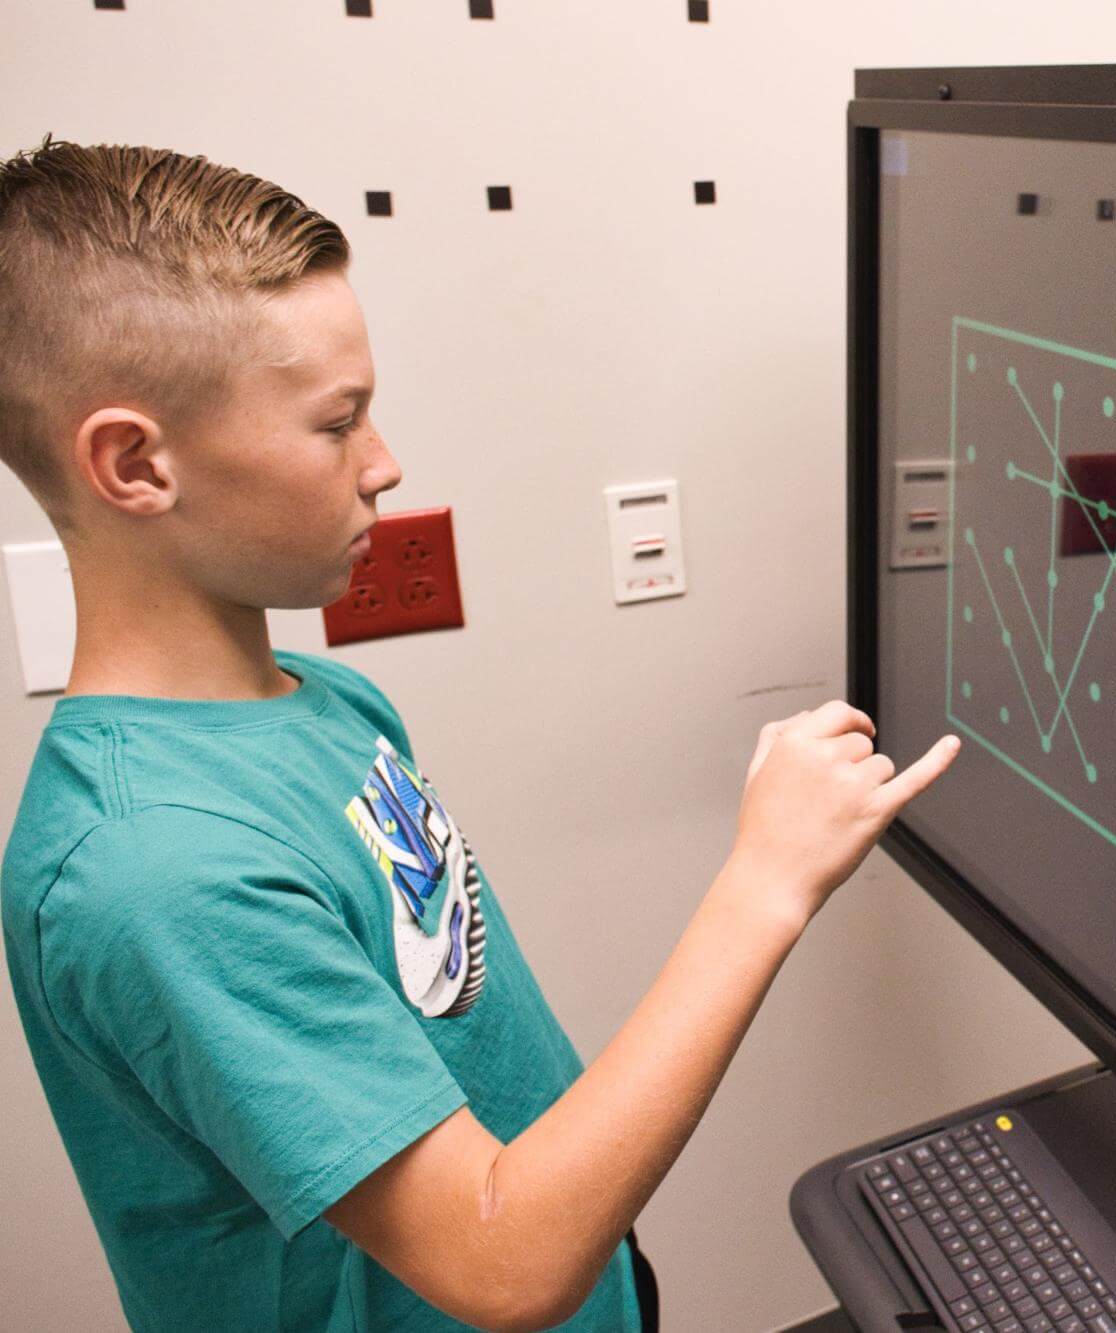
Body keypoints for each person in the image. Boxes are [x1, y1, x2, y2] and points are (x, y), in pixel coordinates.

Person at [0, 137, 958, 1332]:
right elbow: (502, 1269)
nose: (384, 465)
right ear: (135, 463)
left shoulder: (319, 699)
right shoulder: (154, 873)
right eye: (335, 423)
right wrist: (765, 880)